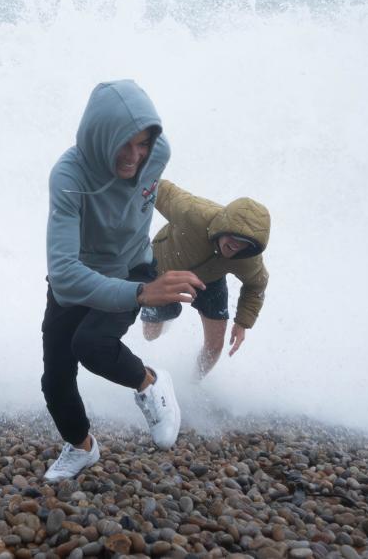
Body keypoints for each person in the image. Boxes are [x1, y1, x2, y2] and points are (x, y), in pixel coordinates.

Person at [41, 80, 204, 482]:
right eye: (124, 144)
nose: (135, 157)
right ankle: (81, 448)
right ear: (100, 137)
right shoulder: (68, 176)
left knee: (92, 345)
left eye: (142, 143)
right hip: (82, 276)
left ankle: (150, 382)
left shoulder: (158, 153)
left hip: (132, 266)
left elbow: (140, 199)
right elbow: (63, 275)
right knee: (55, 379)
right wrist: (142, 294)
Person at [141, 180, 271, 377]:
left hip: (209, 280)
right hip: (164, 271)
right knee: (150, 334)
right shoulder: (192, 214)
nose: (236, 246)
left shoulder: (249, 259)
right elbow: (158, 188)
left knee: (215, 345)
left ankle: (193, 382)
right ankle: (168, 312)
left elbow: (257, 286)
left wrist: (243, 323)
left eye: (245, 243)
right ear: (223, 228)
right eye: (233, 237)